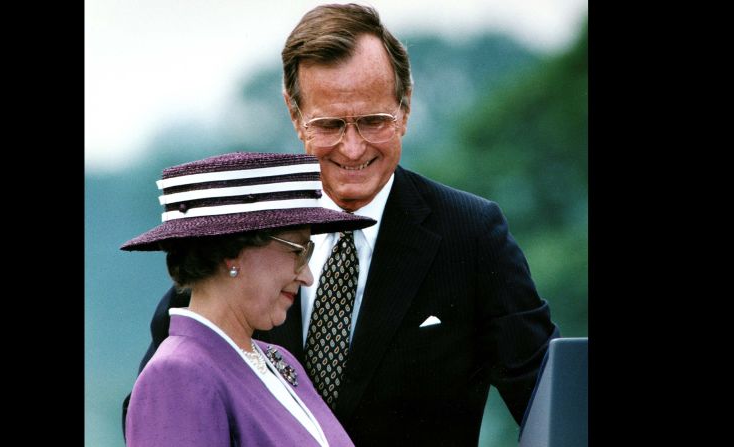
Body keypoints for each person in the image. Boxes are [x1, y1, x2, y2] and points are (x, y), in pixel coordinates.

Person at [124, 4, 560, 445]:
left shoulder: (471, 234)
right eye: (330, 125)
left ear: (405, 108)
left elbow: (554, 404)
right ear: (295, 115)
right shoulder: (235, 231)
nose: (352, 149)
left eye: (373, 121)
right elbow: (163, 406)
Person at [121, 152, 376, 446]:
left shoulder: (277, 361)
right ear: (233, 251)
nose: (307, 276)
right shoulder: (178, 373)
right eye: (297, 251)